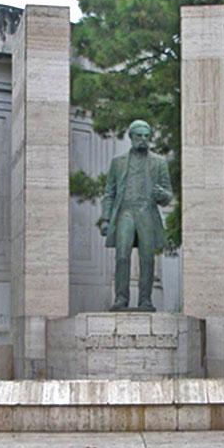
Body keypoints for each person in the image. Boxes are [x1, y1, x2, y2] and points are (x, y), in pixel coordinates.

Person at [99, 120, 173, 311]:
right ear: (131, 137)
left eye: (146, 136)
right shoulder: (118, 162)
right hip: (125, 211)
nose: (143, 139)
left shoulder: (159, 163)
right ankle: (121, 299)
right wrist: (106, 219)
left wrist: (162, 195)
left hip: (147, 212)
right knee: (122, 256)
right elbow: (110, 192)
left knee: (147, 258)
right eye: (139, 135)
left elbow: (168, 195)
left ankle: (145, 300)